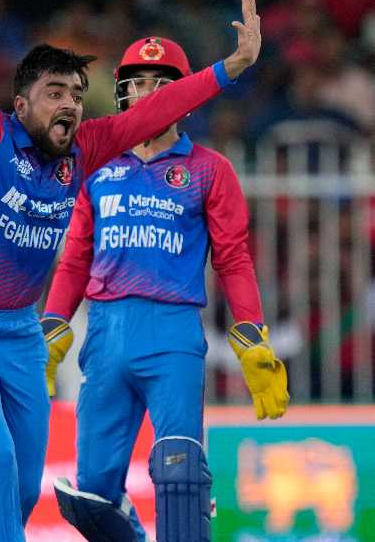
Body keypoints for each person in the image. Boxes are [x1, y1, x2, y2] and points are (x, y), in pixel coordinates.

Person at [0, 0, 263, 542]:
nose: (70, 105)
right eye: (55, 93)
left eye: (77, 95)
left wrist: (229, 68)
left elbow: (153, 113)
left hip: (21, 338)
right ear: (21, 104)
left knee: (23, 491)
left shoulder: (86, 151)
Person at [41, 34, 289, 541]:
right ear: (122, 91)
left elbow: (233, 259)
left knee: (180, 475)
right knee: (94, 494)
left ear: (184, 94)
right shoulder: (97, 166)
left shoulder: (209, 169)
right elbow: (76, 259)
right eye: (138, 83)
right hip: (105, 339)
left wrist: (251, 335)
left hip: (172, 336)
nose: (148, 93)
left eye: (162, 83)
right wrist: (52, 328)